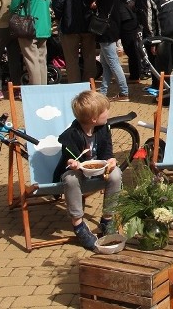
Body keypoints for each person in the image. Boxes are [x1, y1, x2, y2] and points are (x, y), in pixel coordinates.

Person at [54, 90, 122, 250]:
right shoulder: (71, 135)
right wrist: (72, 163)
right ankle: (78, 225)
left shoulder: (103, 128)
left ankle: (107, 220)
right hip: (79, 172)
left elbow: (107, 151)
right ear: (93, 118)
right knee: (70, 178)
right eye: (105, 111)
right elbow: (69, 157)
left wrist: (110, 160)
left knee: (116, 173)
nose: (108, 112)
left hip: (98, 171)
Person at [87, 0, 130, 101]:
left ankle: (124, 92)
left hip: (104, 26)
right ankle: (103, 92)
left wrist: (95, 4)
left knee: (112, 61)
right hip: (115, 24)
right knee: (105, 62)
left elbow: (88, 0)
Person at [53, 0, 98, 84]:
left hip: (69, 25)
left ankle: (74, 85)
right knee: (89, 57)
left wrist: (60, 18)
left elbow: (57, 4)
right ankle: (89, 85)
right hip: (89, 24)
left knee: (71, 59)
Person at [9, 0, 52, 86]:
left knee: (31, 62)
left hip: (29, 28)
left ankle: (36, 91)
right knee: (41, 61)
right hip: (44, 28)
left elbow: (13, 6)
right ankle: (43, 88)